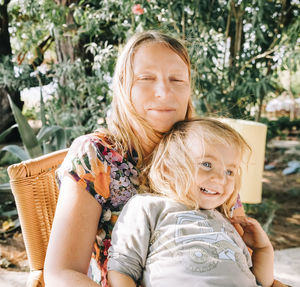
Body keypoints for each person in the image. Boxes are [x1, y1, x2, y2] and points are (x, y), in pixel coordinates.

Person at [44, 31, 285, 287]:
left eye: (177, 79)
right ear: (125, 86)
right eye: (146, 78)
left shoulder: (212, 156)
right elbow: (62, 273)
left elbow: (235, 263)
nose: (163, 91)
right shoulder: (96, 155)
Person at [107, 118, 275, 287]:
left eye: (229, 171)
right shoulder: (149, 206)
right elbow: (121, 269)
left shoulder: (224, 221)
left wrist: (263, 250)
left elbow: (260, 282)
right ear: (168, 169)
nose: (220, 178)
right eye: (207, 164)